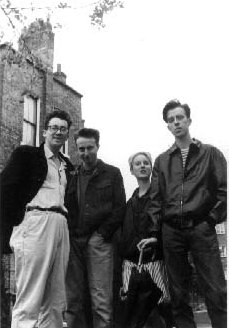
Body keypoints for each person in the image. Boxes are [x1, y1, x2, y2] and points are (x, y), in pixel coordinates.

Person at [150, 99, 227, 328]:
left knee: (214, 288)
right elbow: (156, 199)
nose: (176, 123)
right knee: (178, 293)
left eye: (179, 118)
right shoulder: (162, 161)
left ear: (188, 120)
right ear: (168, 126)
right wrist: (157, 231)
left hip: (201, 228)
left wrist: (210, 220)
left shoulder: (211, 154)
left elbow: (223, 192)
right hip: (172, 231)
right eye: (171, 120)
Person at [0, 110, 74, 328]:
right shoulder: (27, 155)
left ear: (67, 135)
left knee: (55, 299)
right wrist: (16, 222)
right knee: (30, 297)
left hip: (60, 224)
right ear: (44, 132)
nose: (58, 132)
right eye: (54, 128)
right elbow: (5, 189)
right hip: (35, 222)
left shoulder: (67, 166)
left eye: (62, 129)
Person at [65, 128, 126, 328]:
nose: (86, 153)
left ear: (97, 146)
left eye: (90, 147)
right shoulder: (71, 174)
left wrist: (101, 235)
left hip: (99, 242)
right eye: (81, 149)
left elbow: (119, 209)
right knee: (73, 300)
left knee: (101, 301)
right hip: (74, 243)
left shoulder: (112, 173)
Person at [119, 152, 175, 328]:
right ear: (131, 170)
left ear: (151, 168)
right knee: (133, 314)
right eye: (138, 164)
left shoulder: (160, 197)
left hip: (155, 262)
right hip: (132, 265)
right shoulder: (130, 203)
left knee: (161, 307)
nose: (142, 166)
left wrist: (156, 241)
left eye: (146, 163)